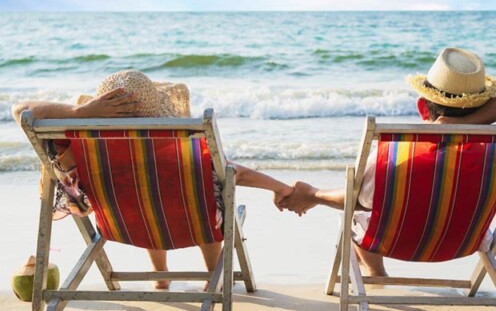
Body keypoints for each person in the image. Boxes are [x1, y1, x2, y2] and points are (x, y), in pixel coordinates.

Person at [279, 47, 496, 277]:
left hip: (394, 243)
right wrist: (473, 124)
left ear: (422, 107)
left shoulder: (396, 159)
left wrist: (313, 194)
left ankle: (375, 272)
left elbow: (355, 198)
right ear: (482, 104)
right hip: (464, 243)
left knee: (362, 207)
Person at [12, 70, 294, 289]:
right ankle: (212, 275)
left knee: (139, 195)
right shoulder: (180, 150)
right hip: (190, 221)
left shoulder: (81, 149)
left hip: (125, 224)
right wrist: (280, 188)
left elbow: (20, 110)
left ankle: (160, 277)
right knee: (203, 194)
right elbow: (236, 172)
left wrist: (80, 114)